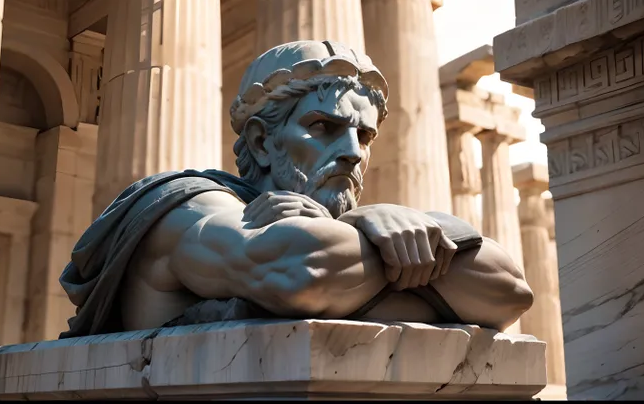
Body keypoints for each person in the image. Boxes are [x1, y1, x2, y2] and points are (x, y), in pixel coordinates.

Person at [58, 40, 533, 339]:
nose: (353, 152)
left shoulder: (339, 229)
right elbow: (302, 273)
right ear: (262, 142)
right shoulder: (187, 209)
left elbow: (510, 291)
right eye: (323, 126)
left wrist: (383, 223)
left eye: (363, 135)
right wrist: (415, 278)